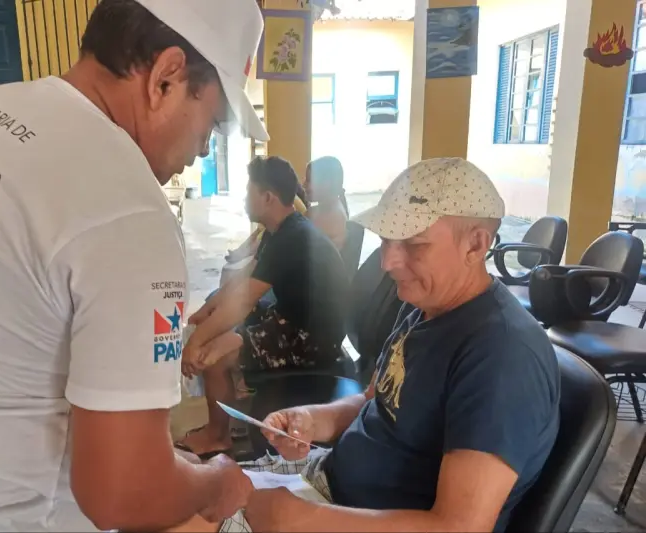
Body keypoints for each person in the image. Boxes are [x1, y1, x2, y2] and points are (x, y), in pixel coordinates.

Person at [0, 0, 268, 530]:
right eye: (214, 120)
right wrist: (218, 480)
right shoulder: (128, 211)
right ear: (166, 77)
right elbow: (125, 492)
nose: (205, 148)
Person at [171, 158, 561, 533]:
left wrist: (298, 520)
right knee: (184, 483)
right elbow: (377, 402)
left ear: (475, 245)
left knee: (171, 520)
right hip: (329, 481)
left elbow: (459, 527)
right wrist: (313, 419)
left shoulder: (502, 357)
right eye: (387, 240)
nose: (388, 261)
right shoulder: (425, 307)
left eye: (413, 244)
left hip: (346, 515)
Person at [175, 156, 349, 459]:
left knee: (216, 357)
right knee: (217, 335)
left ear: (268, 198)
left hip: (312, 340)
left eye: (248, 192)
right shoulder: (280, 230)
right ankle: (227, 416)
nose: (244, 199)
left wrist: (196, 342)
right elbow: (243, 280)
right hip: (292, 322)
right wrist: (206, 311)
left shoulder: (291, 237)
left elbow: (244, 301)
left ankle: (218, 436)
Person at [305, 156, 349, 250]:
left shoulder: (334, 216)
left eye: (309, 180)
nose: (304, 185)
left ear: (326, 183)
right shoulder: (319, 211)